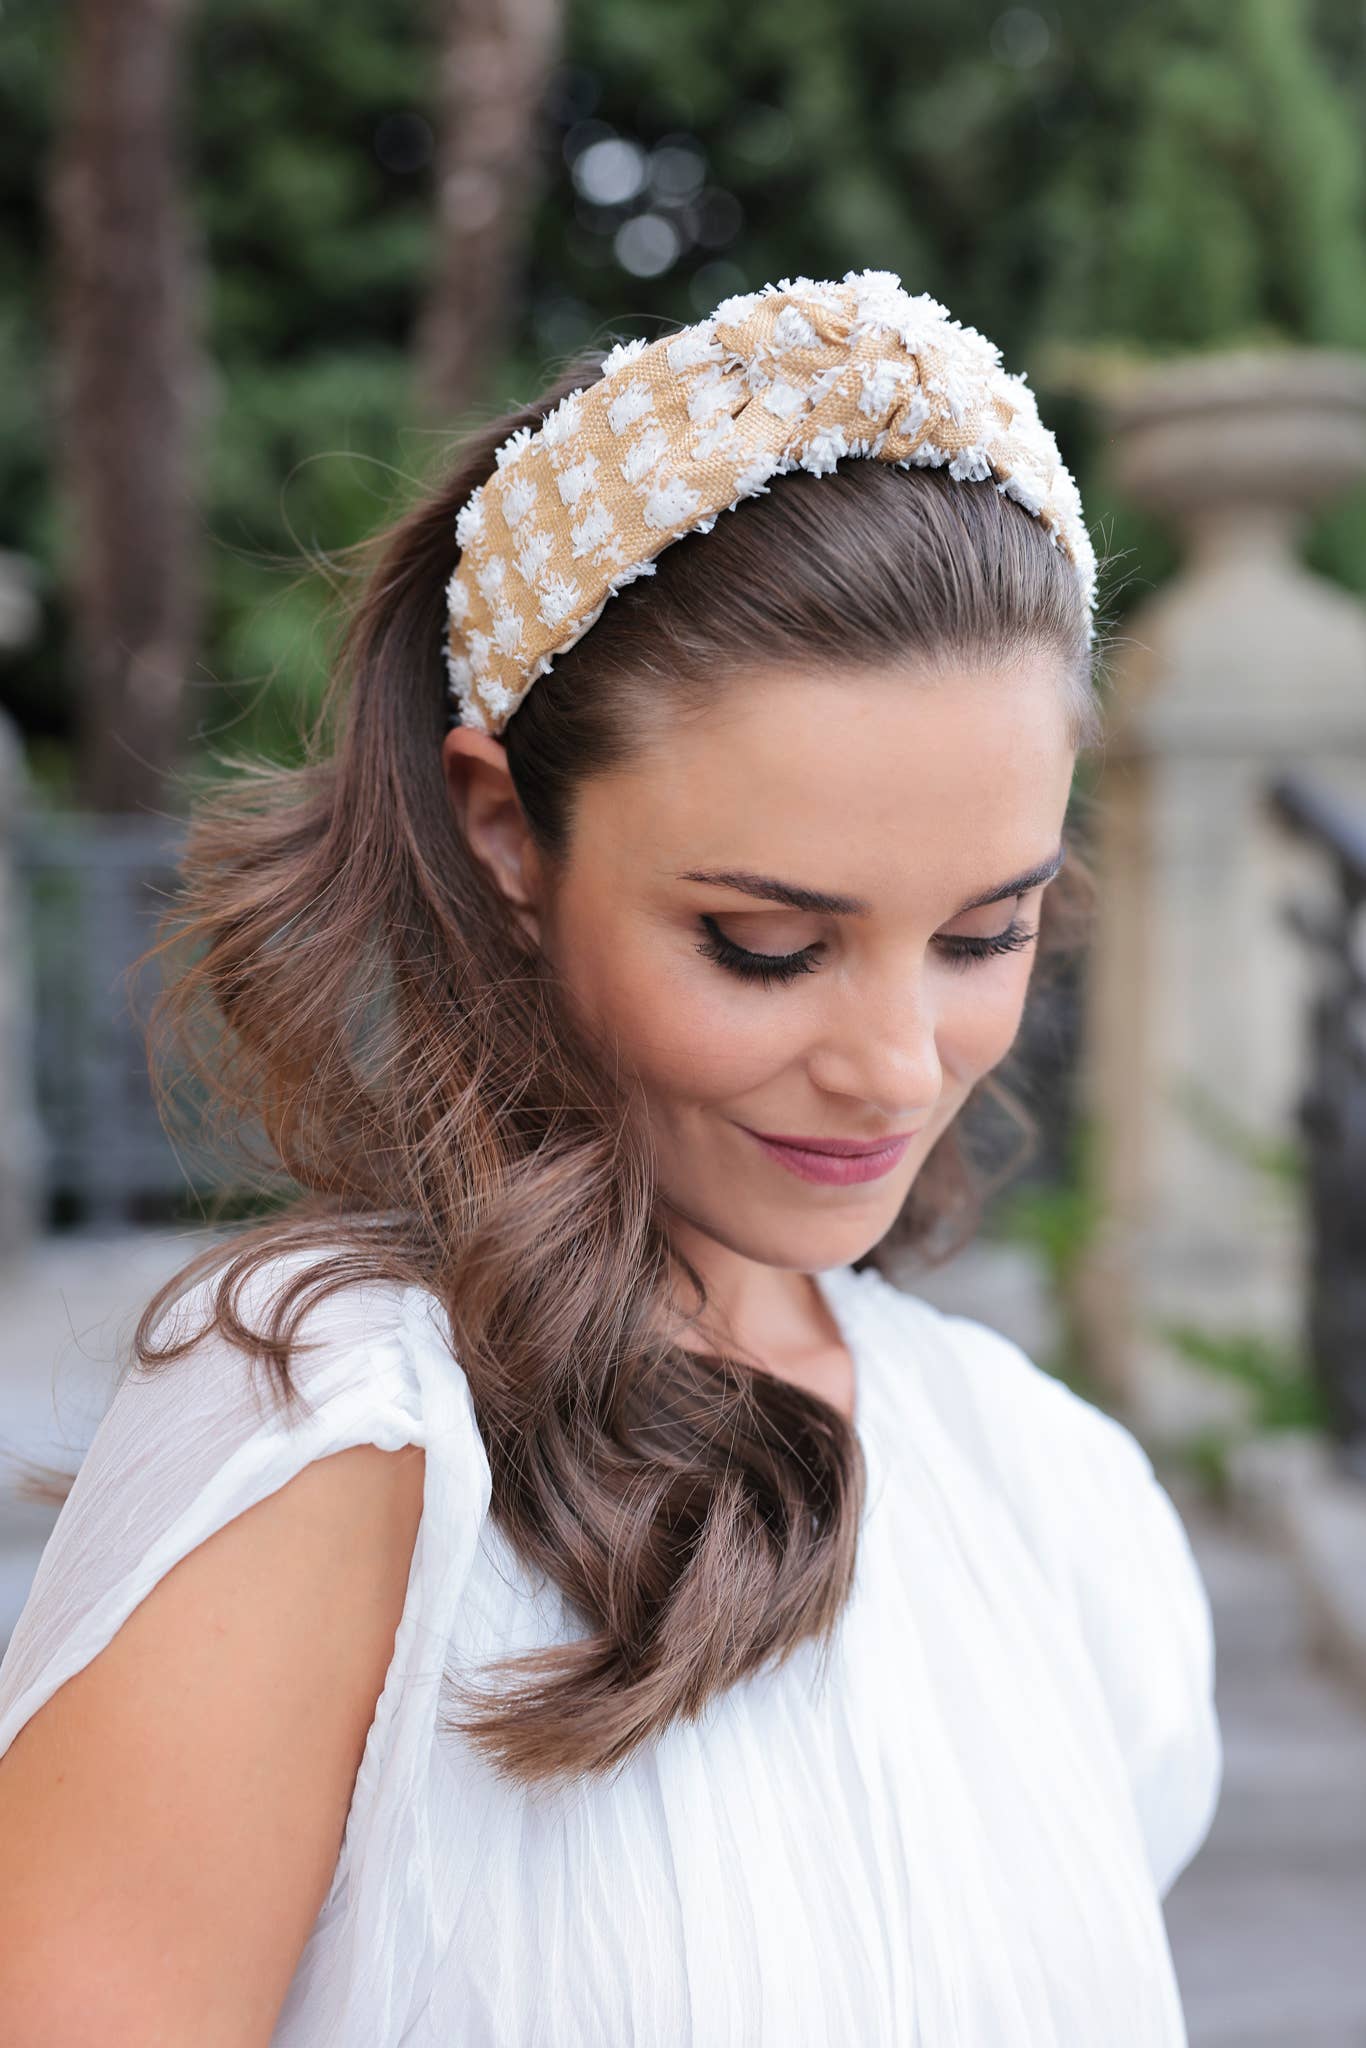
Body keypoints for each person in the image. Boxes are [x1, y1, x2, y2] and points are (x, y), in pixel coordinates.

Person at [0, 270, 1221, 2045]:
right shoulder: (342, 1443)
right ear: (505, 832)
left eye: (984, 935)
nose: (895, 1066)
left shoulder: (1055, 1500)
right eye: (764, 944)